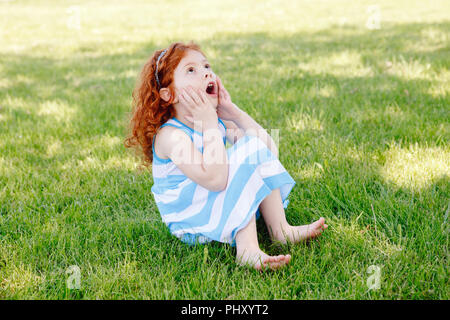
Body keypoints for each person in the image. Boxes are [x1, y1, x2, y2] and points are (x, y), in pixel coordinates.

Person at [124, 41, 328, 271]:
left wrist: (234, 113)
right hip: (193, 220)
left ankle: (280, 230)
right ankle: (247, 250)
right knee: (239, 157)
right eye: (191, 70)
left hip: (215, 205)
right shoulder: (171, 136)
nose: (205, 73)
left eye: (206, 66)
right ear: (169, 95)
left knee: (251, 148)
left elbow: (268, 152)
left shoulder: (218, 119)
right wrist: (210, 125)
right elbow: (216, 179)